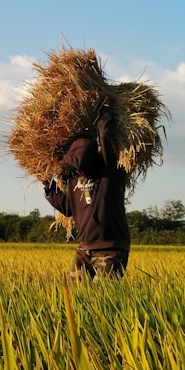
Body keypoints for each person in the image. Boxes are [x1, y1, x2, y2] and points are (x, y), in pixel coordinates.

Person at [43, 101, 130, 280]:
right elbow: (68, 208)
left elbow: (106, 136)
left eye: (80, 166)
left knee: (105, 300)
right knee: (76, 296)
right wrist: (48, 188)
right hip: (84, 248)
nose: (79, 170)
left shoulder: (109, 171)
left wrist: (104, 109)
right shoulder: (74, 179)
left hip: (110, 248)